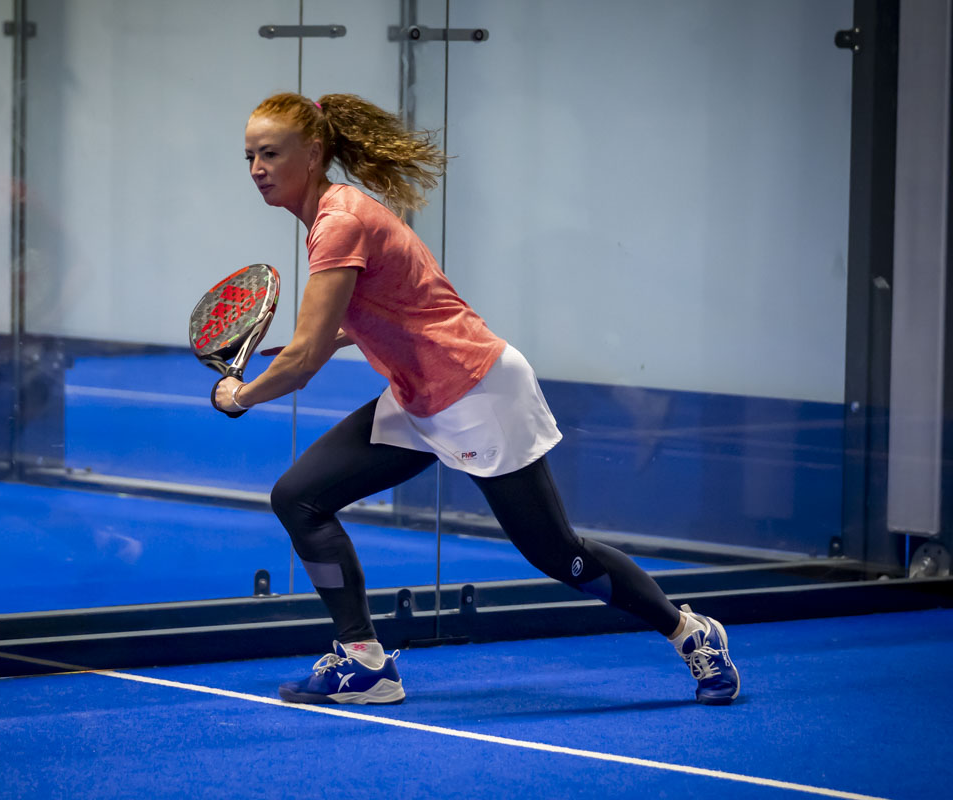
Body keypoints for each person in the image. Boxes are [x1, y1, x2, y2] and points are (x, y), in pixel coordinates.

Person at [217, 92, 739, 706]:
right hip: (418, 395)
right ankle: (364, 663)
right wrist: (321, 342)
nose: (257, 168)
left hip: (477, 390)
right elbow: (379, 313)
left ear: (313, 153)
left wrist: (241, 395)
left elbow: (304, 362)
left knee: (560, 556)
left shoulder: (339, 223)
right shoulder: (336, 215)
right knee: (299, 498)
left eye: (271, 154)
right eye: (250, 156)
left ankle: (689, 631)